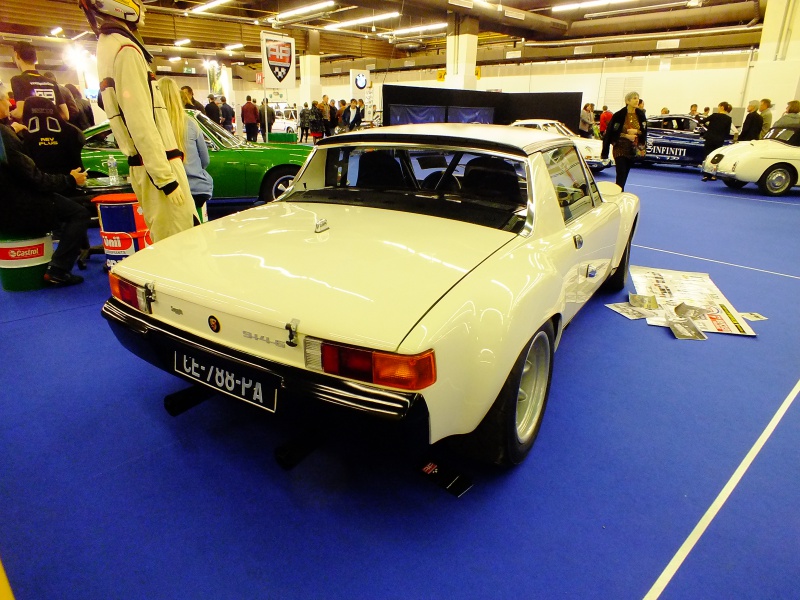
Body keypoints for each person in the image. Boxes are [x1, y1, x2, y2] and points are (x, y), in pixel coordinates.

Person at [80, 0, 196, 242]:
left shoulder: (110, 46)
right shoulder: (125, 51)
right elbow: (140, 121)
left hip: (149, 165)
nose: (144, 7)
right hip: (157, 165)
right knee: (179, 243)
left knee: (171, 239)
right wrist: (166, 178)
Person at [0, 86, 89, 287]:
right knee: (79, 213)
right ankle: (58, 269)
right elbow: (36, 179)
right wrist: (70, 179)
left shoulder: (8, 134)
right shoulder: (6, 138)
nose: (9, 103)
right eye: (6, 99)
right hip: (21, 202)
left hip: (8, 200)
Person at [160, 78, 213, 221]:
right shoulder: (190, 123)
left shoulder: (153, 127)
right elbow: (205, 160)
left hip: (168, 191)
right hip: (197, 189)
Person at [10, 41, 69, 122]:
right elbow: (66, 115)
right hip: (54, 131)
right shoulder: (52, 83)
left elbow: (20, 112)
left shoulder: (18, 80)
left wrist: (10, 114)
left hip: (34, 132)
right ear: (35, 57)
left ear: (17, 55)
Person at [604, 91, 647, 192]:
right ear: (628, 101)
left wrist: (636, 131)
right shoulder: (619, 115)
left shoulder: (641, 115)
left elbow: (644, 132)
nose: (637, 100)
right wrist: (626, 135)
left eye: (638, 98)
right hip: (620, 147)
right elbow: (611, 132)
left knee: (625, 173)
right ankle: (618, 192)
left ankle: (619, 191)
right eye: (634, 98)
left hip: (632, 148)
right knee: (621, 172)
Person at [700, 102, 733, 181]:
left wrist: (709, 127)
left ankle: (705, 175)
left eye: (718, 106)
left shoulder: (714, 115)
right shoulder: (728, 119)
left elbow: (703, 121)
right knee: (716, 158)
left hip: (710, 138)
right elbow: (727, 131)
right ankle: (714, 175)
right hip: (719, 140)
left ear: (722, 107)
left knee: (707, 156)